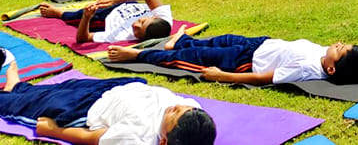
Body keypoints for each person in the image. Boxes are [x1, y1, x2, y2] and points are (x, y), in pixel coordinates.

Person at [0, 64, 215, 145]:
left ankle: (11, 95)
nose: (176, 106)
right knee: (58, 88)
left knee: (32, 104)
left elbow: (92, 138)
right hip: (117, 87)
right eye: (184, 108)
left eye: (175, 114)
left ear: (164, 142)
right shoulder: (195, 115)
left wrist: (54, 131)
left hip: (86, 108)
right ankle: (16, 86)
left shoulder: (138, 138)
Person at [106, 29, 358, 86]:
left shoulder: (308, 69)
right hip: (257, 44)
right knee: (217, 41)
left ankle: (138, 54)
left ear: (332, 69)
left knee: (191, 57)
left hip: (244, 62)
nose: (338, 43)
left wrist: (223, 76)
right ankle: (180, 40)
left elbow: (264, 78)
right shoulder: (324, 56)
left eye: (341, 49)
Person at [40, 0, 173, 45]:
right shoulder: (164, 18)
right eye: (141, 21)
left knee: (77, 16)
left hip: (105, 17)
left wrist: (87, 17)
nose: (135, 24)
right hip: (125, 4)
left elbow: (83, 38)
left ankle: (59, 12)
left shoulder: (121, 36)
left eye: (137, 31)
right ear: (155, 18)